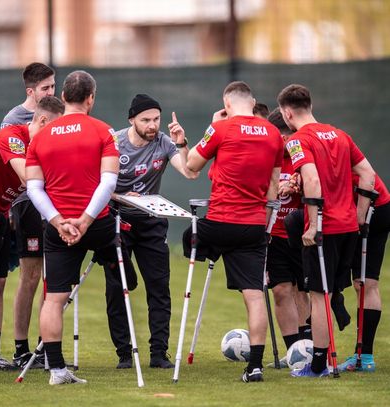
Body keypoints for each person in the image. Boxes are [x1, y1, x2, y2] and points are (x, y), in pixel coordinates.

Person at [183, 81, 283, 382]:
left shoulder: (221, 129)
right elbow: (274, 188)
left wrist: (212, 126)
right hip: (252, 226)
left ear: (226, 104)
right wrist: (264, 227)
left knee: (190, 238)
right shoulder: (274, 133)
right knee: (254, 296)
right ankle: (254, 366)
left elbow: (191, 164)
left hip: (219, 223)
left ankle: (207, 260)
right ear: (252, 103)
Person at [26, 70, 121, 385]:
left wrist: (58, 221)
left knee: (54, 297)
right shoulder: (103, 131)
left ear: (63, 97)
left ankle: (56, 370)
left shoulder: (40, 137)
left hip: (59, 228)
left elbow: (34, 189)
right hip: (96, 225)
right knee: (122, 238)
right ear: (90, 98)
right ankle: (120, 269)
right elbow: (109, 181)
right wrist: (85, 220)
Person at [277, 84, 376, 378]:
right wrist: (358, 218)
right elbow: (368, 174)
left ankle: (318, 364)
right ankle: (324, 359)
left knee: (319, 296)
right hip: (347, 226)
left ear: (287, 112)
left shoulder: (297, 140)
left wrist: (313, 225)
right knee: (329, 292)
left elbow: (312, 181)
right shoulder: (340, 134)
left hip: (325, 228)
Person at [104, 94, 199, 369]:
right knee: (117, 288)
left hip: (151, 221)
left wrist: (181, 142)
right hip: (118, 219)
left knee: (159, 288)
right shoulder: (114, 142)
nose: (152, 125)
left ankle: (159, 354)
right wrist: (125, 197)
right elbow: (101, 184)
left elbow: (190, 172)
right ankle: (124, 354)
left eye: (156, 119)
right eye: (145, 120)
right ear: (131, 119)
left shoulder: (164, 142)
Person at [0, 96, 65, 370]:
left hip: (0, 215)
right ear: (43, 120)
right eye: (55, 128)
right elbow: (27, 176)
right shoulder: (12, 137)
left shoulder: (42, 146)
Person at [1, 63, 56, 367]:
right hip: (28, 203)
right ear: (30, 91)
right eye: (45, 88)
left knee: (55, 275)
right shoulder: (13, 120)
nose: (51, 92)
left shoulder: (60, 115)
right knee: (30, 276)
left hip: (57, 202)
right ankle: (21, 348)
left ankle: (46, 345)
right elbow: (16, 170)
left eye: (53, 86)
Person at [264, 108, 310, 368]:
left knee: (303, 292)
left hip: (301, 234)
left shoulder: (302, 155)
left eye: (283, 135)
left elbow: (319, 187)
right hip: (275, 236)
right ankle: (293, 352)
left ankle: (311, 349)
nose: (280, 141)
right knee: (281, 291)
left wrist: (298, 185)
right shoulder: (268, 156)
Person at [337, 173, 389, 372]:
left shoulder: (334, 144)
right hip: (371, 207)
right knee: (363, 282)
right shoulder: (336, 142)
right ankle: (364, 355)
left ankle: (364, 356)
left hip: (371, 209)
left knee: (366, 282)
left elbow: (366, 174)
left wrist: (359, 217)